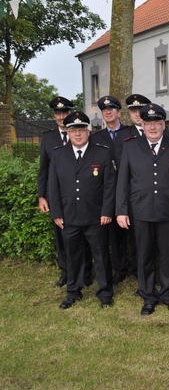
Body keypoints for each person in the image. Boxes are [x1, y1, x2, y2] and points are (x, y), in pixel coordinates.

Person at [116, 103, 169, 316]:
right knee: (144, 255)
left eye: (158, 123)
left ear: (163, 125)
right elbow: (123, 182)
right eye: (149, 123)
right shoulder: (130, 146)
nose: (153, 127)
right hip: (140, 211)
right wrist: (121, 211)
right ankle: (148, 296)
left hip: (168, 210)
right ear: (143, 124)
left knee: (168, 254)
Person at [48, 111, 116, 309]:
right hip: (69, 216)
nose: (77, 134)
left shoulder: (102, 152)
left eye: (81, 130)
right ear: (67, 132)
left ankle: (105, 293)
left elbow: (109, 186)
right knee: (73, 256)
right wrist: (57, 213)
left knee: (101, 256)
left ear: (89, 131)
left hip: (96, 216)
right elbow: (53, 187)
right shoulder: (58, 154)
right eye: (72, 130)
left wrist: (106, 211)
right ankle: (73, 291)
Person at [91, 95, 130, 285]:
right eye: (104, 111)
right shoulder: (96, 137)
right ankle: (119, 268)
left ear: (119, 113)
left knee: (136, 232)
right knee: (114, 235)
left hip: (131, 189)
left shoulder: (130, 133)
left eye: (112, 109)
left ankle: (138, 266)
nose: (108, 112)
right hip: (107, 191)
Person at [38, 96, 74, 287]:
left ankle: (83, 272)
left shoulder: (81, 133)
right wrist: (41, 196)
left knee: (80, 236)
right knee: (60, 237)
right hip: (56, 195)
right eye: (58, 113)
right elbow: (43, 169)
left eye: (65, 112)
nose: (62, 117)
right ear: (54, 116)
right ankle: (65, 273)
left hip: (77, 194)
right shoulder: (48, 138)